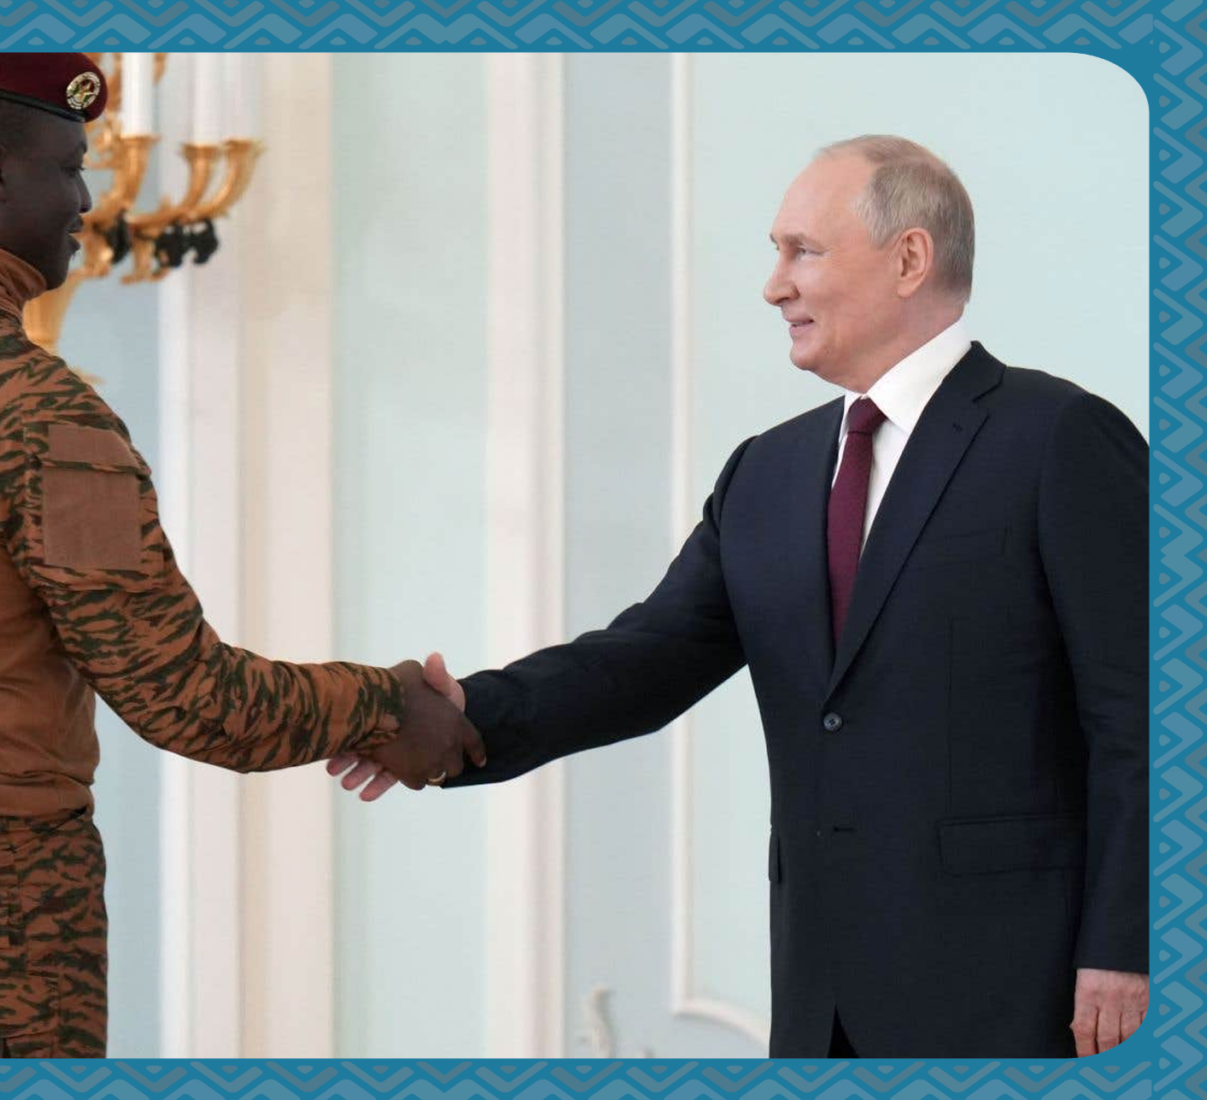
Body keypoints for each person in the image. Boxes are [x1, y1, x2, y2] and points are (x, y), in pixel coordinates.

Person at [331, 136, 1148, 1059]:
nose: (773, 286)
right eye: (775, 252)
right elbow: (646, 659)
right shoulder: (768, 470)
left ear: (910, 258)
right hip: (820, 996)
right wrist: (454, 719)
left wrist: (1129, 945)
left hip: (1027, 989)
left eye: (803, 251)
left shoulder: (1061, 437)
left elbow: (1149, 719)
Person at [0, 52, 483, 1059]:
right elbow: (186, 696)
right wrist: (388, 704)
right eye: (68, 167)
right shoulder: (31, 406)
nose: (85, 203)